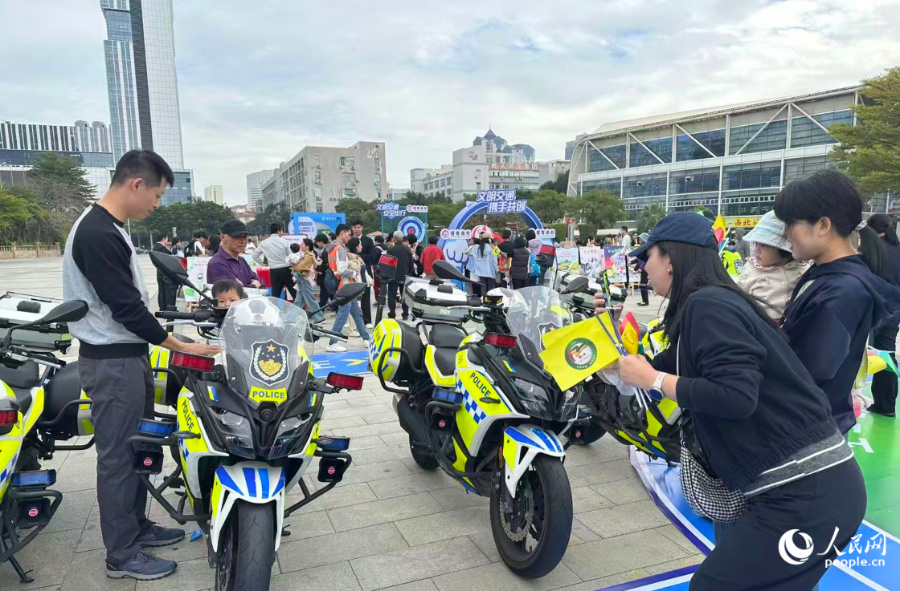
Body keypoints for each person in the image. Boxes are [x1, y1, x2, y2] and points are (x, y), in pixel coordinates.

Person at [605, 212, 865, 591]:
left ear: (671, 259)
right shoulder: (707, 305)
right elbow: (661, 368)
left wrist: (653, 379)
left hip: (805, 490)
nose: (644, 268)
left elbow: (736, 396)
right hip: (797, 488)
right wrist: (615, 354)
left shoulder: (709, 306)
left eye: (648, 257)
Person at [63, 149, 219, 580]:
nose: (156, 204)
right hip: (112, 363)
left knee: (137, 448)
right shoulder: (97, 233)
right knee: (118, 457)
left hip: (126, 357)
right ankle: (121, 553)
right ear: (136, 185)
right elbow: (126, 308)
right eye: (157, 194)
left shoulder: (110, 227)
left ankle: (137, 527)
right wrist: (177, 344)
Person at [777, 170, 900, 435]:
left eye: (790, 223)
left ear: (823, 225)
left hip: (807, 431)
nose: (785, 234)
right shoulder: (830, 275)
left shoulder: (842, 291)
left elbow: (809, 371)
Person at [735, 211, 809, 321]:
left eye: (763, 245)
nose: (756, 250)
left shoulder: (802, 268)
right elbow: (738, 295)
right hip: (759, 323)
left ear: (783, 249)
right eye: (756, 244)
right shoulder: (751, 269)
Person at [865, 213, 900, 416]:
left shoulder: (875, 250)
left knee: (870, 353)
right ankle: (886, 404)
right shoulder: (897, 248)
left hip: (877, 308)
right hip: (895, 309)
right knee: (886, 354)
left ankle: (878, 402)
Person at [326, 225, 370, 352]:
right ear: (342, 233)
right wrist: (354, 273)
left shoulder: (332, 247)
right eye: (348, 234)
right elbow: (341, 269)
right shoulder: (339, 249)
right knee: (343, 315)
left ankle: (366, 339)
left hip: (344, 285)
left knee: (357, 313)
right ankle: (332, 343)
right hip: (345, 286)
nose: (349, 237)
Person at [206, 220, 263, 288]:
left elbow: (261, 283)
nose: (243, 241)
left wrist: (245, 286)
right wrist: (254, 285)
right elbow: (233, 292)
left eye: (244, 236)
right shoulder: (217, 263)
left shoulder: (241, 260)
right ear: (223, 237)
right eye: (237, 237)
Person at [253, 223, 294, 301]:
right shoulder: (285, 242)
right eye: (281, 231)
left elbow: (254, 255)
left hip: (274, 271)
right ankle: (300, 309)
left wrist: (263, 264)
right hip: (287, 270)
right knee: (294, 293)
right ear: (278, 231)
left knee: (275, 296)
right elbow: (291, 256)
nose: (282, 232)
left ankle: (274, 309)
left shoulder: (264, 243)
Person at [289, 238, 324, 323]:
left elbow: (301, 267)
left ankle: (319, 318)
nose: (301, 245)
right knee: (299, 301)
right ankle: (292, 318)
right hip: (302, 278)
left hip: (304, 278)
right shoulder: (306, 255)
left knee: (310, 299)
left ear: (307, 246)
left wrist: (294, 266)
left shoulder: (308, 256)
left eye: (303, 244)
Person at [351, 219, 376, 328]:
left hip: (364, 270)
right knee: (352, 296)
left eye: (359, 227)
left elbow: (372, 255)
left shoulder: (368, 240)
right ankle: (352, 321)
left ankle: (367, 320)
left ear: (362, 228)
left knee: (365, 296)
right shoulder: (349, 239)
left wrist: (360, 258)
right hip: (352, 271)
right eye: (355, 227)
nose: (357, 229)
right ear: (352, 228)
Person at [386, 231, 414, 320]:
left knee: (391, 296)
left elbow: (388, 263)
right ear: (402, 239)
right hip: (405, 275)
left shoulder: (391, 250)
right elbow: (411, 263)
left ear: (394, 239)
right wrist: (409, 273)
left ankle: (392, 313)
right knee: (405, 296)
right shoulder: (407, 250)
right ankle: (405, 314)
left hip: (393, 276)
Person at [151, 235, 177, 313]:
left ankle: (162, 307)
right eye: (167, 239)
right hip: (165, 272)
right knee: (167, 290)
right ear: (164, 239)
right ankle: (168, 307)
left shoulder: (155, 247)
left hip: (159, 271)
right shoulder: (162, 248)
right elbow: (169, 258)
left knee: (161, 290)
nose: (168, 241)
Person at [314, 234, 330, 309]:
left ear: (320, 242)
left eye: (317, 242)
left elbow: (326, 264)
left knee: (324, 293)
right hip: (324, 276)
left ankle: (321, 308)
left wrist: (317, 268)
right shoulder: (325, 250)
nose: (317, 244)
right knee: (326, 293)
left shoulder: (326, 251)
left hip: (325, 276)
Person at [633, 232, 650, 306]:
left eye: (640, 238)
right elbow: (639, 258)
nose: (639, 239)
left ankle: (645, 301)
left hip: (645, 269)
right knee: (643, 284)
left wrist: (640, 268)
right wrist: (631, 262)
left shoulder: (645, 248)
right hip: (643, 268)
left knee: (643, 284)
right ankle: (644, 300)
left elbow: (644, 260)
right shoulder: (643, 247)